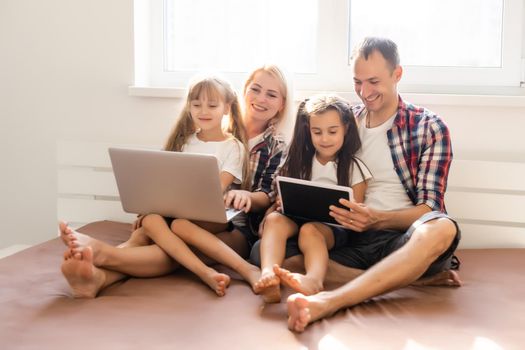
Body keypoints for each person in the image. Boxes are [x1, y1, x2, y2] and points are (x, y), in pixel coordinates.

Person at [59, 64, 291, 298]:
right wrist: (149, 206)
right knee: (146, 232)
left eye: (271, 94)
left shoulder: (268, 146)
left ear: (281, 104)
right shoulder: (206, 130)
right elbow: (165, 177)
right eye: (256, 89)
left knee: (173, 243)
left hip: (233, 225)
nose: (261, 98)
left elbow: (267, 195)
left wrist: (247, 196)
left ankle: (103, 255)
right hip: (181, 213)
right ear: (243, 92)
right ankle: (98, 277)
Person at [282, 37, 462, 332]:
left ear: (397, 75)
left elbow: (430, 207)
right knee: (285, 257)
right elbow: (311, 168)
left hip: (402, 238)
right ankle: (410, 278)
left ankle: (330, 301)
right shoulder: (343, 120)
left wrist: (377, 219)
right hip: (349, 237)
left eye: (374, 81)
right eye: (357, 82)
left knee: (443, 227)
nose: (364, 92)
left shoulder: (429, 127)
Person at [254, 95, 371, 303]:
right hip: (296, 217)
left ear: (346, 128)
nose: (324, 139)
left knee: (310, 230)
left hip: (331, 227)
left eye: (332, 132)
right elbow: (282, 196)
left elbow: (357, 211)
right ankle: (268, 275)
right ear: (308, 131)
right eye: (317, 132)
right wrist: (276, 208)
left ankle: (314, 280)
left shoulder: (354, 166)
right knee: (274, 221)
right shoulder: (299, 162)